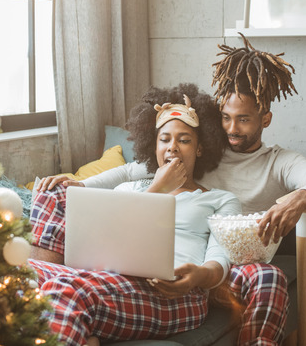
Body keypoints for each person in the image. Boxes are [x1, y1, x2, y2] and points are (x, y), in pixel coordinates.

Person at [39, 35, 306, 346]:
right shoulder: (199, 154)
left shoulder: (277, 163)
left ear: (265, 118)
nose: (231, 129)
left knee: (268, 276)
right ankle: (49, 273)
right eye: (225, 118)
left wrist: (300, 198)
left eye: (243, 120)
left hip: (225, 262)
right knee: (54, 196)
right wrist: (81, 185)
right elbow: (133, 169)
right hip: (139, 265)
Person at [28, 83, 242, 346]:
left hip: (175, 295)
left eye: (184, 140)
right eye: (164, 140)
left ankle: (66, 307)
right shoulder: (128, 188)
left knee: (63, 289)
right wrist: (158, 188)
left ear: (200, 148)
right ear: (154, 147)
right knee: (18, 274)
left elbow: (219, 261)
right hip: (107, 279)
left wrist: (198, 276)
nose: (172, 147)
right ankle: (75, 322)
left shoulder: (219, 199)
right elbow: (106, 236)